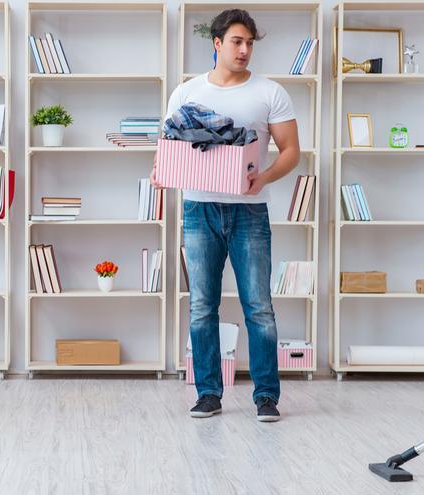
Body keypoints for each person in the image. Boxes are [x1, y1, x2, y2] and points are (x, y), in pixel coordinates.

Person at [151, 9, 300, 421]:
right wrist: (160, 169)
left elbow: (292, 151)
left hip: (250, 212)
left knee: (259, 307)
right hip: (198, 209)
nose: (244, 50)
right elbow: (169, 146)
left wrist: (264, 177)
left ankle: (266, 397)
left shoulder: (270, 92)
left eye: (250, 43)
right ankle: (209, 394)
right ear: (216, 43)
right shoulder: (186, 92)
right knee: (202, 306)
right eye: (236, 42)